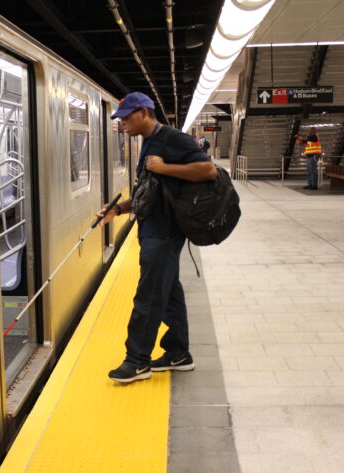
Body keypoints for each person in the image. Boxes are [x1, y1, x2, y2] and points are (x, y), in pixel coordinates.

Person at [97, 92, 218, 383]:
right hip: (154, 227)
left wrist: (165, 167)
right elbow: (150, 188)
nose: (123, 122)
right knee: (168, 291)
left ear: (143, 112)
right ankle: (178, 353)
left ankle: (137, 361)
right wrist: (120, 208)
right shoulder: (148, 142)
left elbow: (209, 170)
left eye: (126, 116)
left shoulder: (173, 138)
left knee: (149, 294)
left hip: (164, 232)